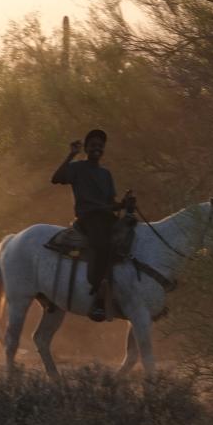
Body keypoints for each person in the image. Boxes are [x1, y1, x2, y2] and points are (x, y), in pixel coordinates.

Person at [51, 129, 134, 322]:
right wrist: (71, 154)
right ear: (86, 148)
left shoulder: (106, 174)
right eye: (93, 145)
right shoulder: (77, 168)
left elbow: (111, 203)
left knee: (130, 235)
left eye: (100, 145)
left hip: (106, 217)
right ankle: (98, 297)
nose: (97, 148)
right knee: (103, 244)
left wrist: (125, 204)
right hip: (88, 218)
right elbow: (56, 178)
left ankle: (128, 291)